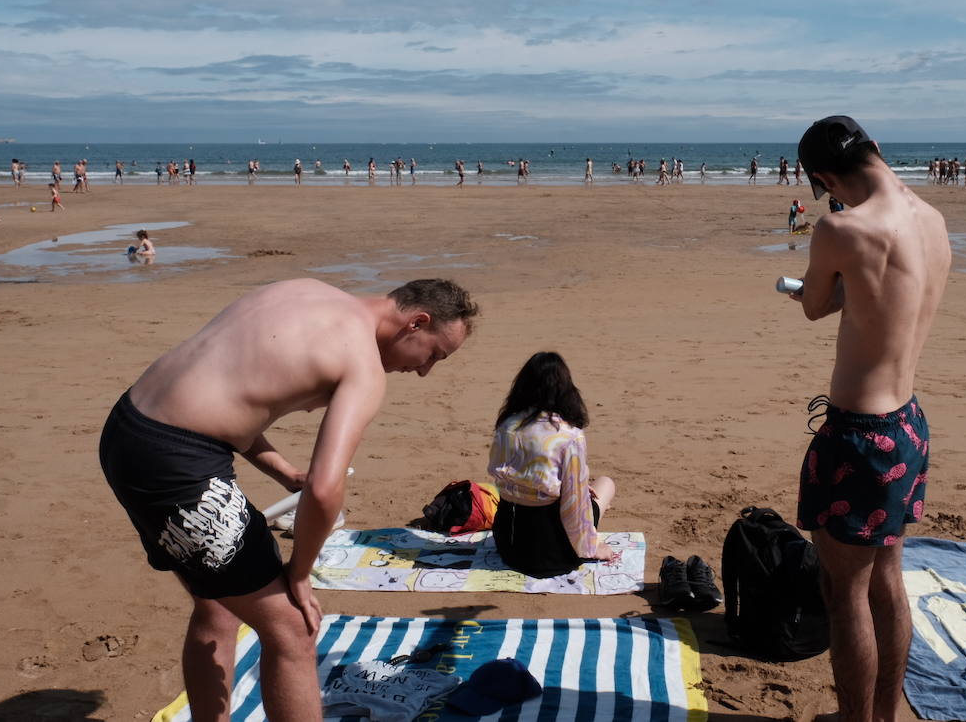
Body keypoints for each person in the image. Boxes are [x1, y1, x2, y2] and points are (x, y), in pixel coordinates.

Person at [100, 278, 478, 720]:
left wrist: (281, 470)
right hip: (177, 465)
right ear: (417, 322)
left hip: (127, 430)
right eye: (434, 354)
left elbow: (218, 395)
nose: (424, 370)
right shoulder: (362, 365)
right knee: (293, 628)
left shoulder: (303, 290)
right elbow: (324, 489)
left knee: (219, 603)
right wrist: (300, 572)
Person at [787, 115, 949, 722]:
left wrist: (823, 288)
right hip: (908, 422)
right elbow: (890, 302)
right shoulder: (932, 221)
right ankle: (887, 714)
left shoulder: (840, 228)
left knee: (845, 594)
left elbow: (812, 306)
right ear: (877, 148)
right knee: (888, 577)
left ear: (825, 177)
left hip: (858, 436)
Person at [488, 352, 617, 578]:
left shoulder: (506, 426)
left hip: (508, 545)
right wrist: (591, 546)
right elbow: (573, 508)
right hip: (551, 552)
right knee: (605, 484)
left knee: (581, 488)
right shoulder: (568, 435)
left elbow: (509, 479)